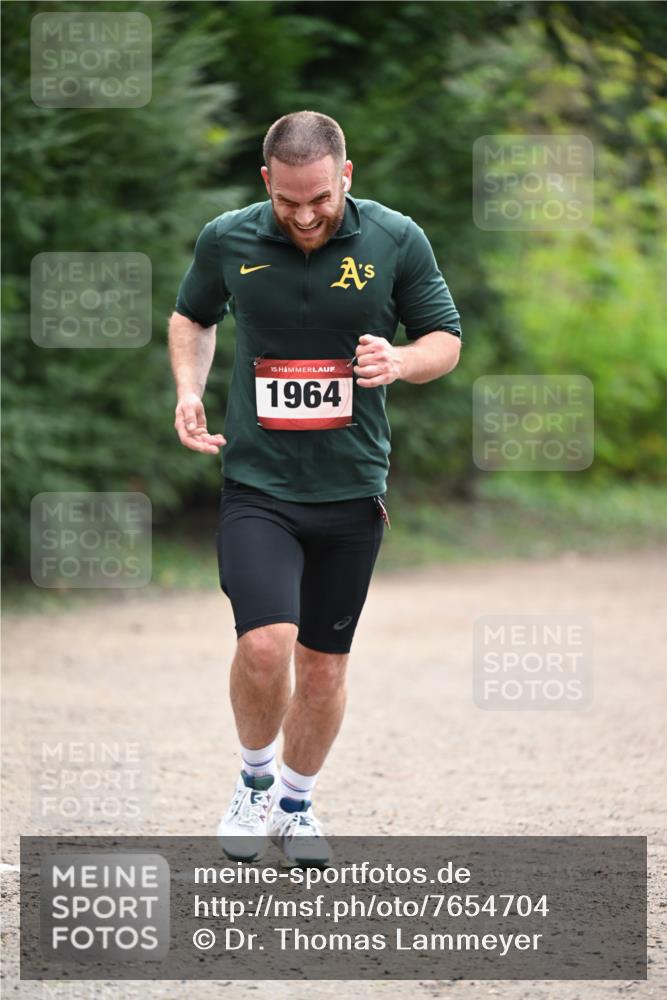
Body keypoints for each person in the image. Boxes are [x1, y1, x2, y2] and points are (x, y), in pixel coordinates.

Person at [169, 110, 461, 866]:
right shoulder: (227, 238)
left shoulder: (396, 239)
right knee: (265, 646)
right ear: (266, 180)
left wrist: (399, 362)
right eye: (288, 201)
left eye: (320, 200)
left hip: (350, 487)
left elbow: (444, 340)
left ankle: (296, 805)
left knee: (324, 664)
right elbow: (191, 317)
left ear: (346, 178)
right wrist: (187, 389)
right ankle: (254, 783)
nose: (304, 216)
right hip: (258, 483)